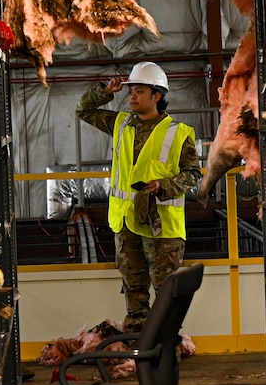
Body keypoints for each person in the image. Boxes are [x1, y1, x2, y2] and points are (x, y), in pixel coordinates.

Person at [76, 61, 202, 334]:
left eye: (139, 91)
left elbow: (193, 174)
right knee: (133, 290)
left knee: (166, 291)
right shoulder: (121, 124)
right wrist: (104, 91)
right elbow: (83, 111)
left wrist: (165, 186)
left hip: (162, 228)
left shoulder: (178, 133)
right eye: (131, 90)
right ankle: (136, 344)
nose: (132, 96)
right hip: (125, 222)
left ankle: (167, 346)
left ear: (157, 95)